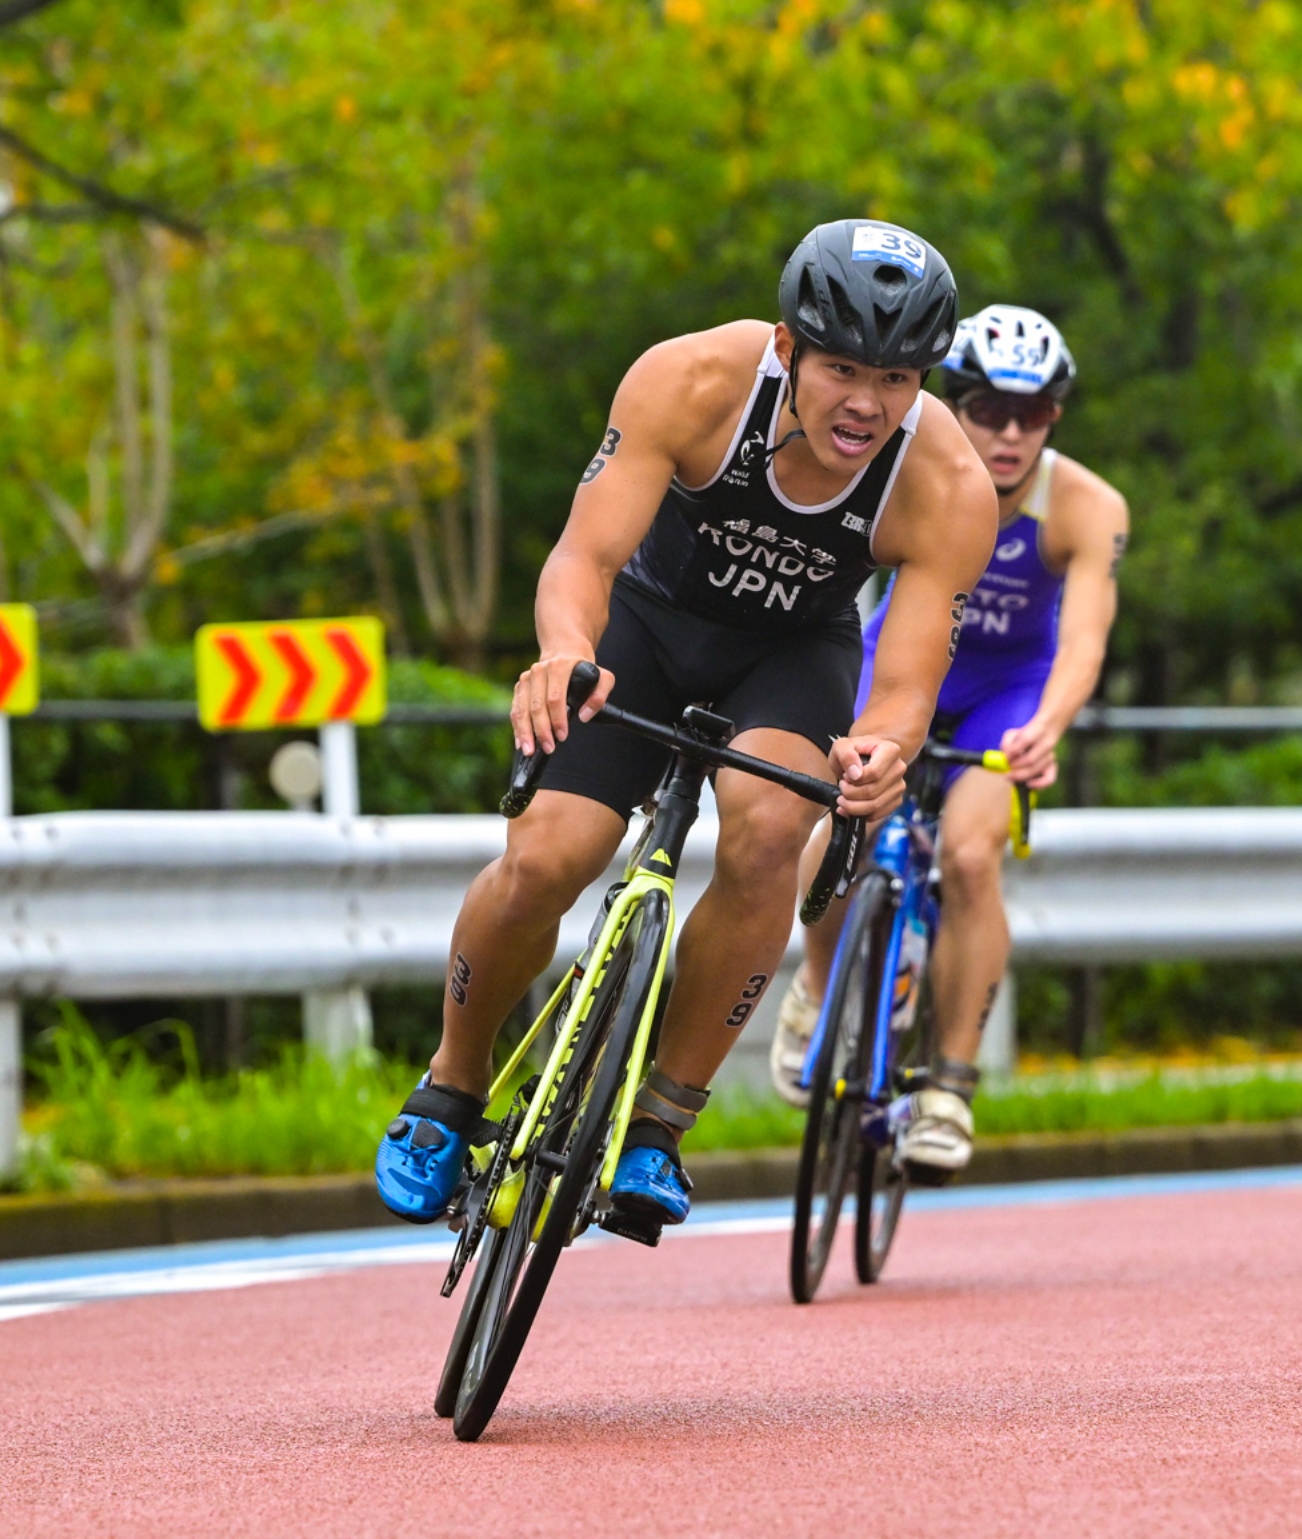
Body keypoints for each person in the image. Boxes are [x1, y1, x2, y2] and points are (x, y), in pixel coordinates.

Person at [374, 221, 994, 1238]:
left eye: (894, 379)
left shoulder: (949, 485)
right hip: (644, 625)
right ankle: (451, 1084)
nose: (865, 403)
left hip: (791, 654)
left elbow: (905, 685)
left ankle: (659, 1123)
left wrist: (881, 750)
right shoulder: (693, 379)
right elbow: (583, 558)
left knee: (768, 827)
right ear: (788, 349)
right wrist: (562, 652)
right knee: (549, 857)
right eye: (842, 369)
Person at [774, 305, 1127, 1180]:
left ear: (1054, 416)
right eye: (986, 409)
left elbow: (1083, 641)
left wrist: (1047, 727)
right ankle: (817, 988)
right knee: (841, 816)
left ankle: (948, 1088)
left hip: (1010, 692)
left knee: (970, 856)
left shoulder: (1087, 506)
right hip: (903, 660)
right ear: (951, 403)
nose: (1008, 434)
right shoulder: (906, 465)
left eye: (1031, 414)